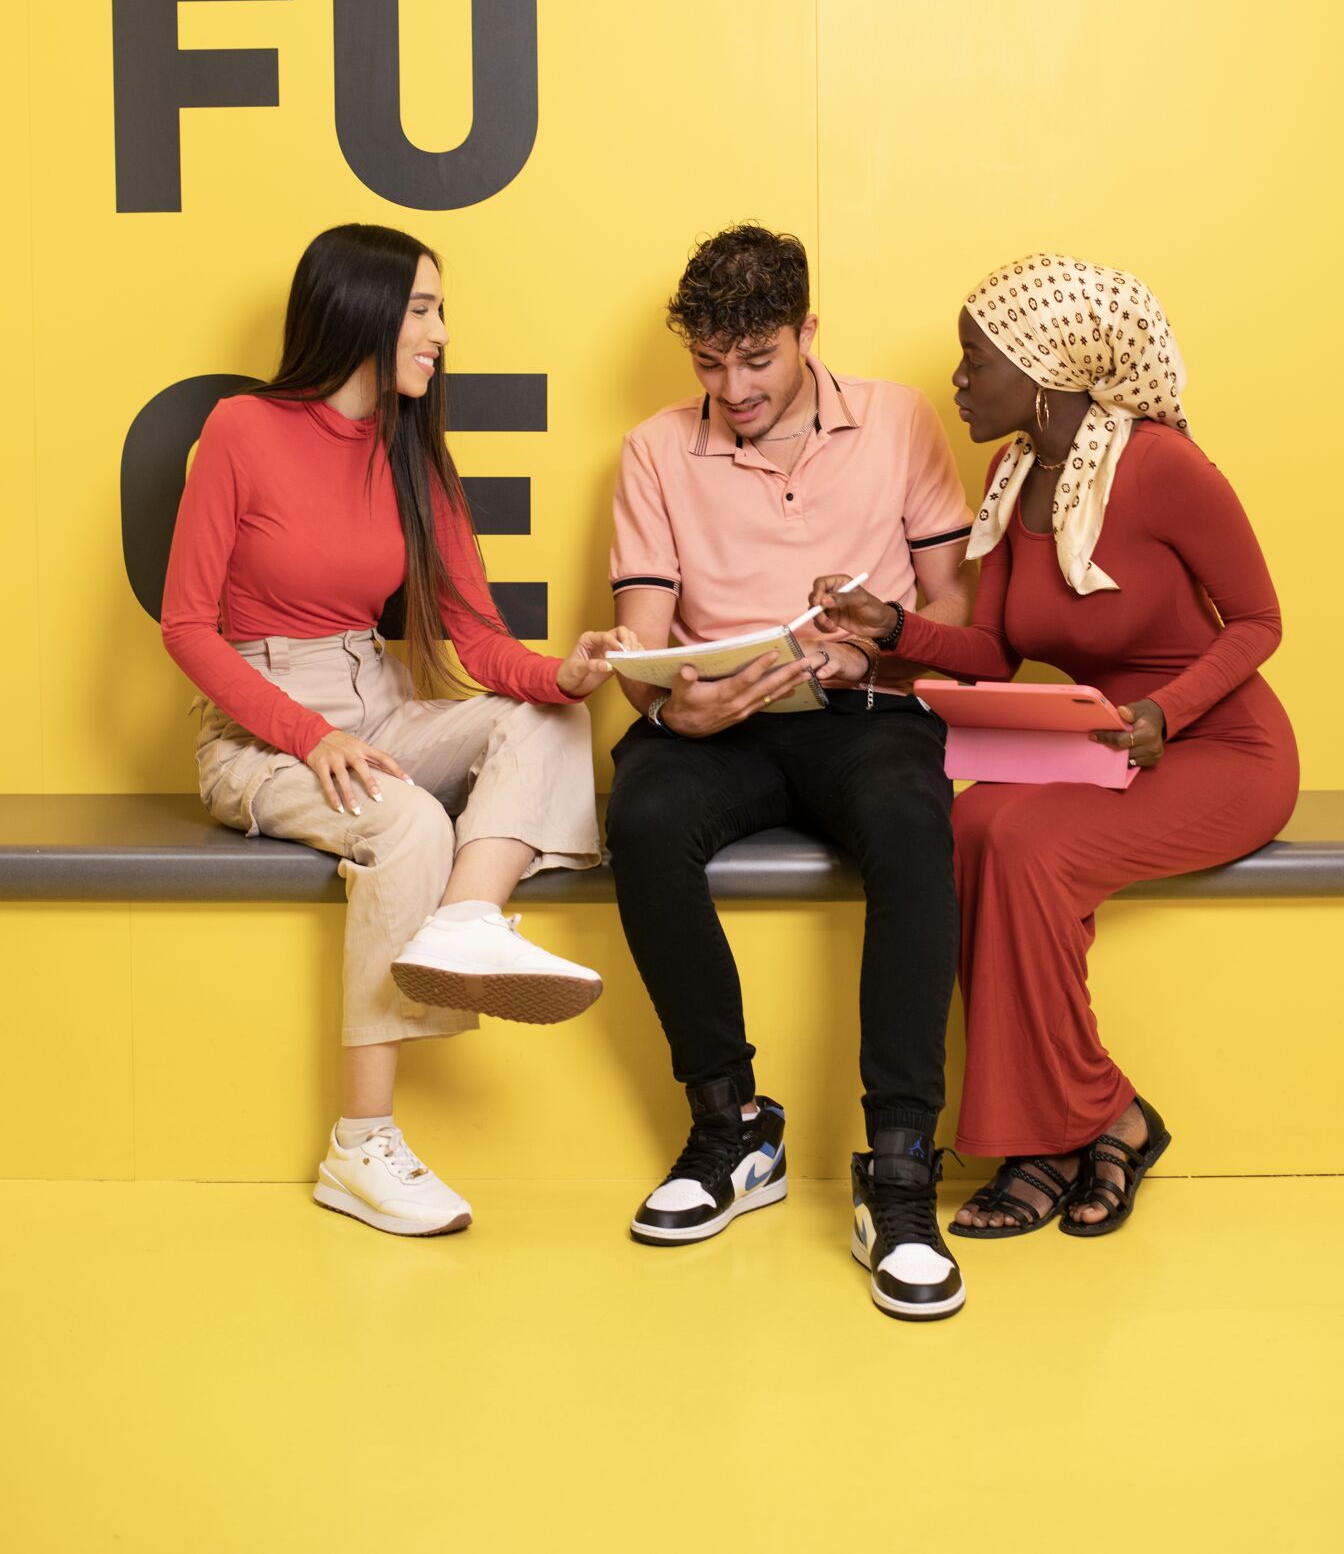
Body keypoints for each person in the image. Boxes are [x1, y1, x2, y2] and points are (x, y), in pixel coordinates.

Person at [162, 224, 635, 1239]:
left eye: (438, 311)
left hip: (374, 697)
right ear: (363, 312)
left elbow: (477, 638)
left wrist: (566, 671)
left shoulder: (416, 458)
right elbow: (186, 627)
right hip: (256, 726)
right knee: (409, 821)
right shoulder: (241, 430)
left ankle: (464, 926)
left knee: (543, 718)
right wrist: (302, 735)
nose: (440, 333)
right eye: (423, 310)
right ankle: (360, 1145)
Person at [811, 252, 1299, 1239]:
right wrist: (890, 625)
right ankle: (1087, 1121)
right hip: (1096, 741)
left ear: (1039, 370)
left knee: (1029, 843)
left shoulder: (1161, 467)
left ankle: (1056, 1133)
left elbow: (1254, 621)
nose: (956, 383)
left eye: (970, 362)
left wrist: (1167, 710)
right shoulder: (1011, 473)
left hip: (1214, 744)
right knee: (976, 821)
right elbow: (995, 651)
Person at [605, 223, 976, 1321]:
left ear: (806, 331)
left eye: (755, 359)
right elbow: (638, 636)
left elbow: (949, 607)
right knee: (642, 813)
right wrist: (675, 701)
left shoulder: (899, 421)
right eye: (709, 364)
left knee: (915, 821)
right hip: (718, 719)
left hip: (864, 712)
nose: (732, 387)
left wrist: (873, 641)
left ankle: (900, 1169)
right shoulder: (654, 450)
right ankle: (731, 1127)